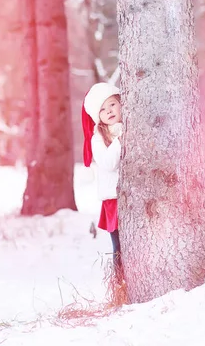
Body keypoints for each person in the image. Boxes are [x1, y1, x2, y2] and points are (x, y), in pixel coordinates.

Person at [81, 82, 124, 283]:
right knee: (120, 248)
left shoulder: (126, 128)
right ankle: (120, 282)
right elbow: (108, 163)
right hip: (113, 199)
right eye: (103, 110)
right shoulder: (98, 138)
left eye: (112, 105)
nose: (109, 111)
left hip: (130, 196)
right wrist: (119, 140)